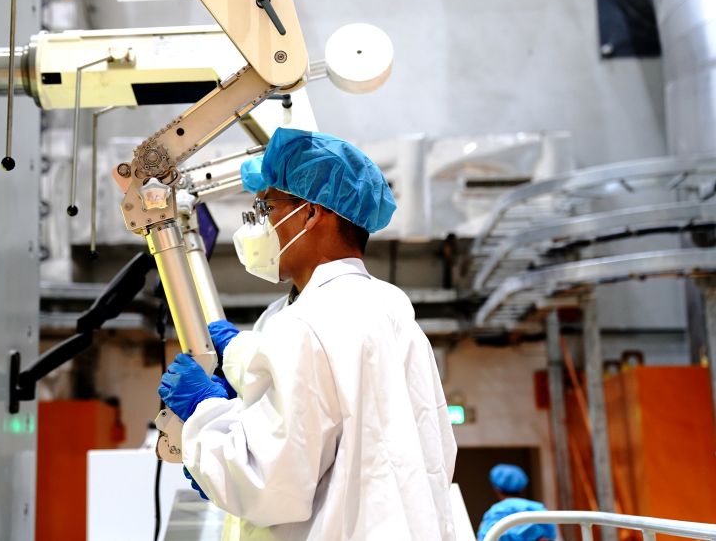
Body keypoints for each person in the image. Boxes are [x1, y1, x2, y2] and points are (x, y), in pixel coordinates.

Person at [157, 128, 458, 540]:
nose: (260, 224)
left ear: (311, 214)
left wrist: (203, 415)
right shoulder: (390, 311)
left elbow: (269, 483)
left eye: (267, 207)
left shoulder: (308, 323)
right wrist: (242, 392)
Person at [477, 464, 557, 541]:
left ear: (496, 489)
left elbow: (485, 537)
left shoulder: (494, 513)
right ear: (522, 487)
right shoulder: (538, 509)